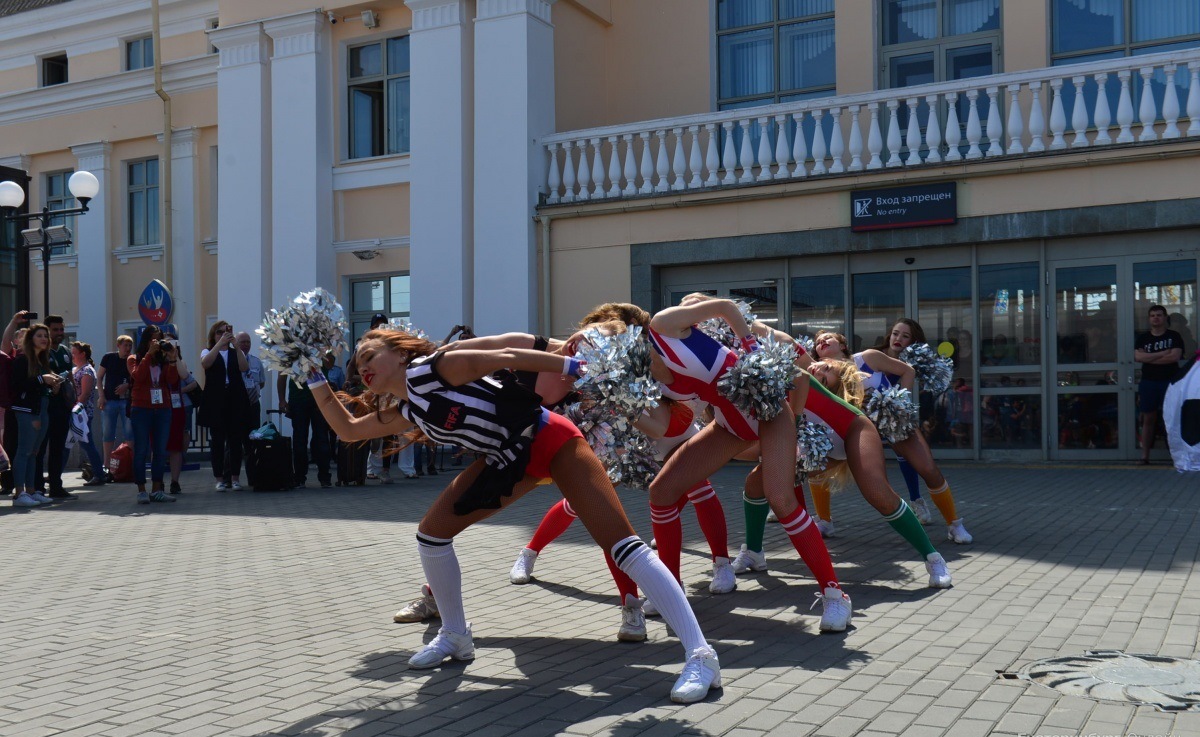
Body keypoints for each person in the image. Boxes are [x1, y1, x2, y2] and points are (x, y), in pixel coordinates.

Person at [311, 327, 721, 703]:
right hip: (509, 460)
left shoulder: (434, 368)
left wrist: (577, 366)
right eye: (357, 362)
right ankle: (455, 635)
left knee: (622, 545)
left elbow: (509, 353)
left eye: (369, 355)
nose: (362, 366)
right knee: (432, 533)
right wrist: (311, 374)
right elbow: (348, 430)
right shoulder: (411, 407)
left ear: (400, 353)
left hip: (550, 438)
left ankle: (702, 656)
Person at [646, 295, 852, 632]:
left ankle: (835, 595)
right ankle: (670, 593)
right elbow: (668, 418)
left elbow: (726, 308)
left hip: (769, 413)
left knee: (781, 499)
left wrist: (751, 348)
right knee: (663, 491)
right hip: (729, 424)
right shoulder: (643, 370)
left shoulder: (664, 325)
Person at [811, 325, 972, 544]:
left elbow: (908, 371)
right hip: (854, 430)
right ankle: (824, 520)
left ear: (842, 344)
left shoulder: (868, 358)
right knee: (817, 464)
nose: (821, 342)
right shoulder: (817, 372)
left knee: (927, 468)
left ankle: (954, 524)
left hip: (892, 421)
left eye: (827, 337)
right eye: (817, 342)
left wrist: (899, 403)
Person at [9, 324, 60, 506]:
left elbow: (39, 385)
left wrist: (53, 385)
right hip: (27, 410)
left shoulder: (42, 361)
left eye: (45, 336)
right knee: (24, 451)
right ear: (31, 339)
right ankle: (19, 493)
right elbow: (17, 384)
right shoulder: (22, 359)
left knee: (34, 452)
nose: (44, 339)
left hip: (42, 408)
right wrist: (42, 379)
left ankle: (31, 491)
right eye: (39, 335)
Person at [128, 327, 180, 504]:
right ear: (146, 341)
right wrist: (148, 355)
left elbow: (172, 381)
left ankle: (157, 489)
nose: (157, 343)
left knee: (160, 451)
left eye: (159, 340)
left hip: (163, 408)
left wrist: (172, 360)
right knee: (141, 449)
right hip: (141, 408)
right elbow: (139, 377)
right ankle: (141, 490)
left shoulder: (163, 359)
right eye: (154, 340)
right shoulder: (134, 359)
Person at [199, 320, 251, 490]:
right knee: (217, 441)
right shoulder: (208, 351)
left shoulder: (234, 352)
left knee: (236, 440)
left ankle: (235, 478)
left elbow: (244, 367)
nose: (223, 335)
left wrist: (236, 346)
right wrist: (219, 345)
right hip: (216, 399)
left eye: (226, 332)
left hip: (235, 397)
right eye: (219, 332)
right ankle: (219, 479)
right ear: (213, 336)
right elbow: (206, 363)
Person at [1135, 304, 1185, 465]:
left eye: (1159, 315)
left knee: (1171, 419)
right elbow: (1138, 357)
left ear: (1165, 318)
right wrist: (1163, 353)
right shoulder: (1143, 338)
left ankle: (1175, 455)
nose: (1156, 318)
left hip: (1170, 382)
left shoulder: (1174, 336)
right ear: (1149, 319)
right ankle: (1145, 456)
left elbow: (1174, 357)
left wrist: (1151, 357)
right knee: (1148, 419)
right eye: (1153, 315)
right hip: (1149, 383)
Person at [277, 362, 333, 489]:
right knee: (301, 440)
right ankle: (301, 477)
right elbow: (281, 375)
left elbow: (330, 363)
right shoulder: (290, 349)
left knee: (320, 439)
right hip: (299, 401)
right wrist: (281, 399)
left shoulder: (319, 348)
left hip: (318, 401)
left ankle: (322, 477)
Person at [39, 315, 74, 500]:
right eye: (55, 330)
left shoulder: (65, 351)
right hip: (45, 406)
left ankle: (56, 486)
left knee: (58, 448)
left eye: (61, 329)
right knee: (40, 447)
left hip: (62, 407)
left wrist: (74, 399)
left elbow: (70, 376)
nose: (60, 333)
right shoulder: (41, 353)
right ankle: (37, 488)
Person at [163, 331, 199, 494]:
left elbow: (187, 378)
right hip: (160, 407)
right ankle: (158, 481)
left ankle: (175, 481)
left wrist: (174, 356)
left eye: (171, 343)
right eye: (165, 343)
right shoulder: (156, 362)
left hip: (179, 406)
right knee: (159, 443)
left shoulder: (179, 361)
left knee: (179, 440)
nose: (168, 346)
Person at [69, 342, 107, 488]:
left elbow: (84, 395)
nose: (72, 356)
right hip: (76, 412)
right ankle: (97, 473)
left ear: (82, 354)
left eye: (74, 353)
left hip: (82, 414)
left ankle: (99, 473)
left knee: (87, 443)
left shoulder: (87, 371)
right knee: (75, 444)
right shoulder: (75, 369)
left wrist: (74, 409)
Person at [96, 334, 134, 477]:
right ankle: (106, 464)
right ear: (118, 346)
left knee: (129, 432)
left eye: (130, 346)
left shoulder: (132, 360)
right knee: (108, 432)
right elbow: (99, 377)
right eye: (125, 345)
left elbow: (136, 379)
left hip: (126, 400)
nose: (128, 349)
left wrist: (127, 385)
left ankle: (130, 462)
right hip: (110, 400)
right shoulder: (109, 358)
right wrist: (101, 395)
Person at [236, 332, 266, 432]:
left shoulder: (256, 361)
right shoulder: (232, 360)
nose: (246, 344)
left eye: (248, 342)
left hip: (253, 404)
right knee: (235, 434)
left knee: (254, 433)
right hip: (237, 403)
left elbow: (261, 382)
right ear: (236, 343)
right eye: (243, 342)